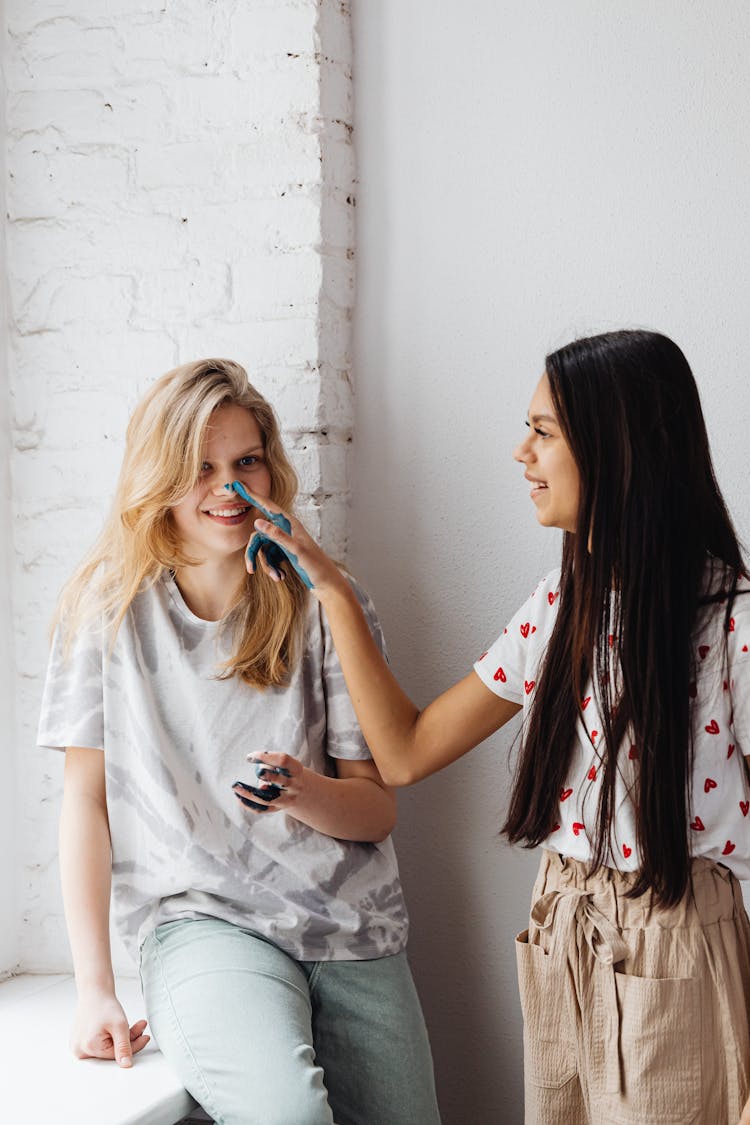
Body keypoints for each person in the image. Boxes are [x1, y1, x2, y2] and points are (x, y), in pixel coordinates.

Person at [249, 330, 750, 1125]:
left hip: (677, 946)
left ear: (619, 445)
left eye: (544, 431)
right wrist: (332, 589)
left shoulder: (732, 626)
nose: (522, 452)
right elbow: (406, 752)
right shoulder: (561, 605)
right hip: (563, 932)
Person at [37, 359, 441, 1125]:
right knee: (288, 1115)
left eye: (245, 461)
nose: (228, 486)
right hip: (205, 923)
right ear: (159, 477)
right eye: (201, 467)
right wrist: (95, 986)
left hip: (353, 927)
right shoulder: (105, 609)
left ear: (270, 466)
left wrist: (301, 791)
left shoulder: (326, 602)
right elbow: (84, 802)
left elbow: (376, 810)